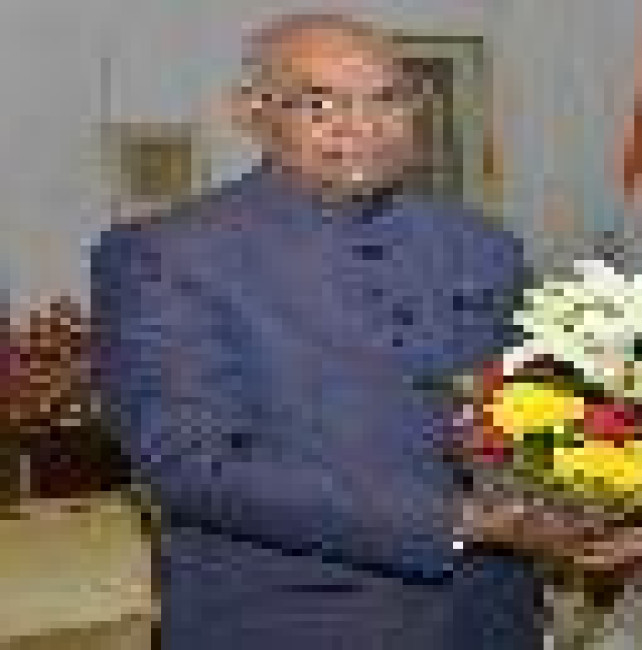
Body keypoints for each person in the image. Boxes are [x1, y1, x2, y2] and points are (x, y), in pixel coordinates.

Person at [92, 14, 547, 649]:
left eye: (387, 100)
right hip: (288, 621)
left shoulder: (483, 243)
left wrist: (607, 496)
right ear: (251, 111)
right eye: (320, 104)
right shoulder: (166, 255)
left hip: (490, 616)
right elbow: (190, 464)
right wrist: (459, 521)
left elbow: (536, 406)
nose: (362, 127)